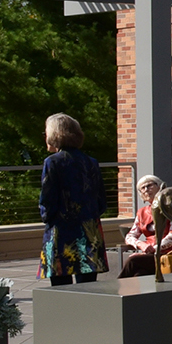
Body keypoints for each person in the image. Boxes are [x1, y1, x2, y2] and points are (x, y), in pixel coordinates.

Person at [39, 112, 107, 286]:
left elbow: (47, 199)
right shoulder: (91, 162)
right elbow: (101, 201)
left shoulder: (52, 162)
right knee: (89, 288)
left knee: (62, 290)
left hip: (61, 232)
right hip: (89, 231)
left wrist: (47, 217)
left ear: (55, 134)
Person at [119, 175, 172, 278]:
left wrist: (153, 249)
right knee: (139, 274)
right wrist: (140, 244)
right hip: (148, 255)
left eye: (149, 185)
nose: (146, 190)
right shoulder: (141, 212)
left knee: (133, 260)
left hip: (168, 254)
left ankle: (116, 288)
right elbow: (130, 236)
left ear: (160, 187)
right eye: (142, 188)